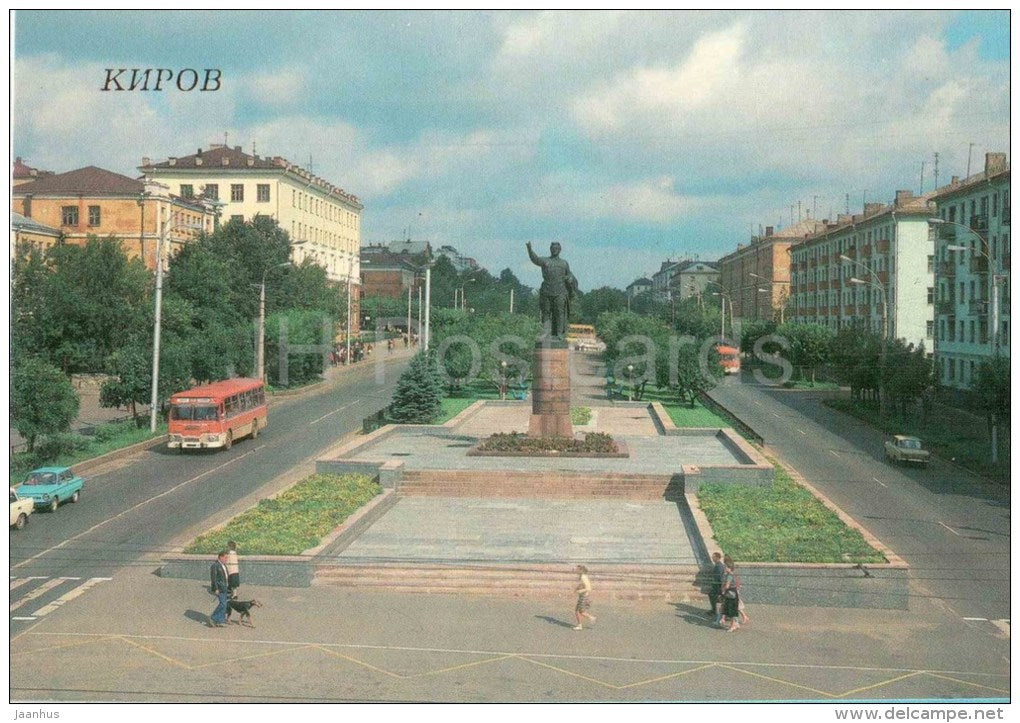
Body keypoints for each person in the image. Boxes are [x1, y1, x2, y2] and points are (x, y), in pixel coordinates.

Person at [209, 551, 230, 627]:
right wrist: (216, 588)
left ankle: (220, 621)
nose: (226, 559)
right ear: (220, 557)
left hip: (225, 587)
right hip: (220, 588)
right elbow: (213, 578)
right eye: (225, 557)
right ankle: (213, 617)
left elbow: (225, 577)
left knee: (224, 604)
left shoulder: (223, 565)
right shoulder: (215, 566)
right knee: (223, 604)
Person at [720, 556, 741, 632]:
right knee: (733, 609)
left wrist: (723, 590)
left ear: (729, 567)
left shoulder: (729, 575)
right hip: (732, 593)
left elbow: (727, 585)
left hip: (731, 594)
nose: (724, 568)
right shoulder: (729, 574)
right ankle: (735, 623)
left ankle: (733, 626)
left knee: (732, 610)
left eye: (725, 567)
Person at [573, 565, 597, 630]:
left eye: (577, 569)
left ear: (580, 570)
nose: (575, 570)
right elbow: (582, 585)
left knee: (579, 611)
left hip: (584, 596)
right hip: (583, 595)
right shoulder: (582, 576)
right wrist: (577, 588)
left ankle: (592, 618)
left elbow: (588, 588)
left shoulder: (583, 577)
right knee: (578, 611)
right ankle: (580, 625)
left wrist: (579, 591)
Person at [708, 551, 726, 622]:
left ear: (717, 558)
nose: (712, 558)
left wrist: (721, 589)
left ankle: (717, 612)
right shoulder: (717, 565)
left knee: (720, 599)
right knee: (712, 596)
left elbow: (720, 578)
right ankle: (714, 610)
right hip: (716, 585)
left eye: (713, 557)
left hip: (717, 586)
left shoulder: (719, 566)